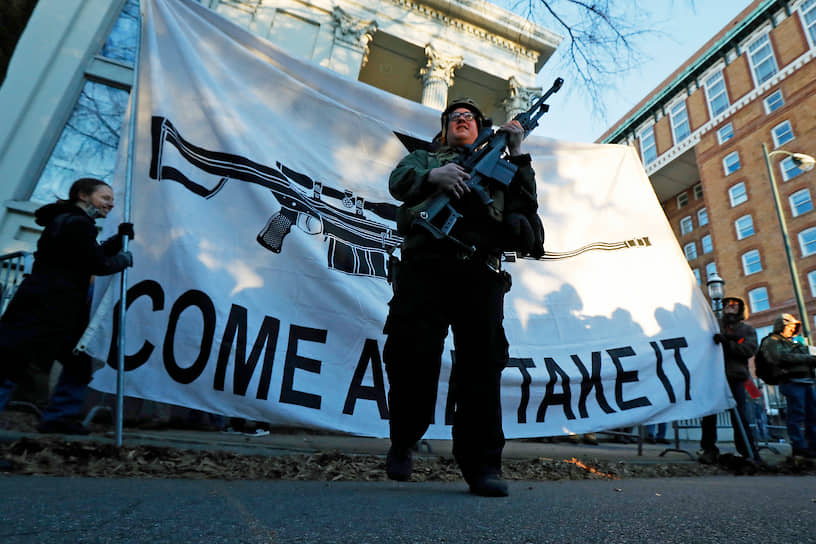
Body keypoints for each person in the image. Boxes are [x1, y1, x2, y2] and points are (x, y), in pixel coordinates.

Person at [382, 98, 544, 497]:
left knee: (481, 368)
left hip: (480, 272)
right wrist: (434, 176)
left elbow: (526, 204)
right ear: (444, 129)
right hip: (425, 268)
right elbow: (398, 182)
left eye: (469, 117)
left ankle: (483, 465)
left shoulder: (503, 164)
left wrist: (518, 150)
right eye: (454, 117)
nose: (462, 120)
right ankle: (403, 439)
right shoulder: (423, 158)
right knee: (410, 357)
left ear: (481, 127)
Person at [0, 178, 133, 434]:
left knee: (75, 363)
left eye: (112, 199)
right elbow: (97, 264)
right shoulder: (77, 223)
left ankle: (59, 418)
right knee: (10, 367)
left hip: (53, 308)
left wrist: (118, 240)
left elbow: (86, 256)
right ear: (83, 195)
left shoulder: (70, 222)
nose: (111, 203)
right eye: (105, 197)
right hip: (45, 308)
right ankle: (59, 416)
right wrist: (123, 259)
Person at [698, 296, 760, 464]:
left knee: (739, 415)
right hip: (714, 375)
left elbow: (749, 349)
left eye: (734, 305)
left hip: (735, 376)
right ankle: (709, 449)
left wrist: (727, 344)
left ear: (741, 308)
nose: (729, 307)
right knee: (709, 415)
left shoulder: (747, 330)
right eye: (727, 304)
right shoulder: (714, 325)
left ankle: (748, 450)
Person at [758, 313, 816, 458]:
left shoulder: (795, 342)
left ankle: (813, 446)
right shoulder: (771, 341)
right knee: (797, 414)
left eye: (794, 327)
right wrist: (808, 359)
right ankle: (799, 447)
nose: (792, 329)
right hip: (791, 381)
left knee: (812, 415)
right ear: (781, 326)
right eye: (790, 326)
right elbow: (779, 357)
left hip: (806, 381)